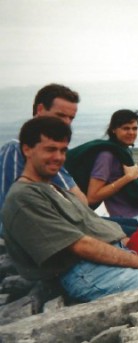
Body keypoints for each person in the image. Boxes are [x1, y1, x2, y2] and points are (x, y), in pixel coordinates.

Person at [1, 116, 138, 324]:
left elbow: (92, 225)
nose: (58, 157)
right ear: (26, 149)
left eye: (63, 150)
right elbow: (80, 245)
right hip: (87, 272)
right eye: (50, 149)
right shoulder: (24, 197)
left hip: (109, 259)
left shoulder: (53, 188)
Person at [0, 84, 87, 235]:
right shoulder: (17, 149)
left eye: (71, 118)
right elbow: (12, 208)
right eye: (60, 115)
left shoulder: (52, 155)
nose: (66, 122)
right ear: (40, 110)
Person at [66, 110, 138, 227]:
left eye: (134, 128)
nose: (131, 132)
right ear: (113, 129)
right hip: (132, 221)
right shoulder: (106, 156)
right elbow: (92, 197)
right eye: (126, 128)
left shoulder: (123, 151)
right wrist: (128, 178)